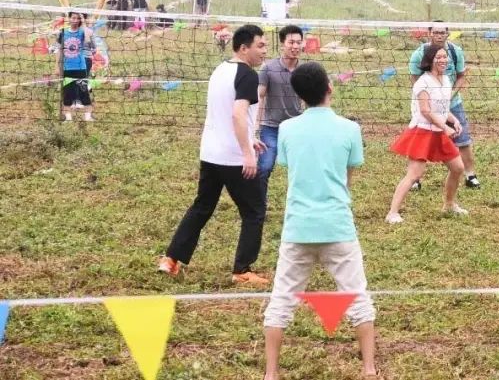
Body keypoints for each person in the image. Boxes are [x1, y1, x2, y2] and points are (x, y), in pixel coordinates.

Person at [262, 62, 376, 380]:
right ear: (330, 88)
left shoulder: (286, 129)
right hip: (338, 225)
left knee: (281, 300)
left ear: (299, 97)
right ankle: (369, 370)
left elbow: (290, 167)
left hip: (297, 227)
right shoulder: (350, 129)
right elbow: (348, 175)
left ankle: (271, 373)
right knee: (358, 296)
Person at [158, 24, 271, 285]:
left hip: (210, 153)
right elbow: (237, 114)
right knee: (254, 211)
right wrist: (247, 153)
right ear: (244, 48)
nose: (265, 51)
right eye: (260, 46)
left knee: (202, 207)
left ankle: (172, 259)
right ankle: (243, 271)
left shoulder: (220, 69)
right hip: (233, 157)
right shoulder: (248, 76)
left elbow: (224, 113)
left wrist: (250, 139)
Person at [386, 44, 467, 223]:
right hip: (422, 131)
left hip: (438, 130)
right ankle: (392, 212)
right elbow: (426, 110)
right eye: (438, 57)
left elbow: (443, 108)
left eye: (445, 57)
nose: (443, 60)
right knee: (414, 174)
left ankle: (449, 204)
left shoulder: (446, 80)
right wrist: (446, 127)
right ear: (430, 60)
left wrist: (454, 121)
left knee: (458, 168)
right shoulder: (423, 82)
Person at [408, 21, 479, 189]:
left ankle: (471, 176)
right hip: (427, 106)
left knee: (463, 140)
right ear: (429, 33)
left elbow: (461, 76)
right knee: (420, 141)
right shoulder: (419, 53)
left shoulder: (456, 51)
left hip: (453, 102)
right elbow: (414, 78)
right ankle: (414, 179)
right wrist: (428, 98)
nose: (439, 35)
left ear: (448, 33)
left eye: (442, 32)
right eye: (436, 32)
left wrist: (449, 96)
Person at [256, 25, 305, 201]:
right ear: (282, 44)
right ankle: (258, 203)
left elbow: (310, 99)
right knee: (264, 167)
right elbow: (259, 96)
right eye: (291, 42)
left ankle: (300, 202)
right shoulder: (268, 68)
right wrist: (255, 127)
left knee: (302, 169)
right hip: (270, 128)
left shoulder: (305, 70)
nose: (295, 46)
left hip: (296, 128)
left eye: (299, 42)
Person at [57, 11, 95, 122]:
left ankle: (88, 117)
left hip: (80, 68)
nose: (75, 20)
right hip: (67, 68)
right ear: (69, 19)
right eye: (73, 18)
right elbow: (59, 50)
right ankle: (68, 118)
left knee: (84, 92)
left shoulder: (82, 32)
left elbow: (88, 40)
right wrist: (57, 66)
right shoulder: (63, 32)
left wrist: (83, 22)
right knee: (68, 93)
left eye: (77, 18)